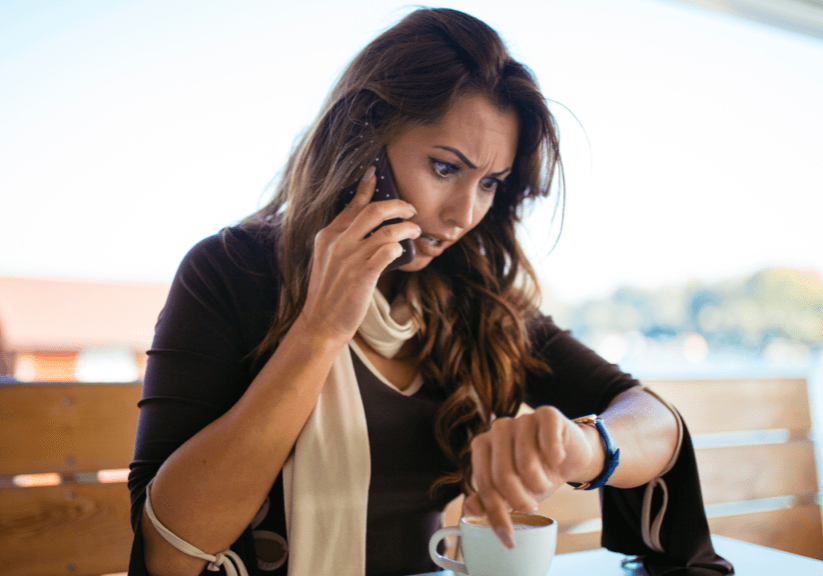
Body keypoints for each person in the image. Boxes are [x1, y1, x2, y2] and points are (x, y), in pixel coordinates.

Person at [129, 8, 731, 576]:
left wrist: (578, 447)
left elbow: (652, 419)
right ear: (361, 142)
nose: (465, 213)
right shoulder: (231, 273)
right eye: (445, 168)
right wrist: (319, 331)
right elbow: (169, 549)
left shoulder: (472, 298)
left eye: (490, 182)